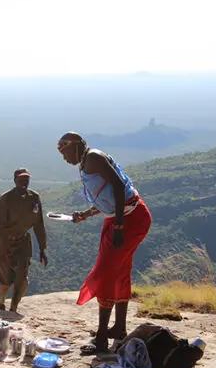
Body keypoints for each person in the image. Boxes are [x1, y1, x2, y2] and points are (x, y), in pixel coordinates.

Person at [57, 132, 152, 354]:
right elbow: (107, 197)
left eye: (65, 152)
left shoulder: (93, 158)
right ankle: (118, 329)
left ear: (77, 146)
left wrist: (119, 226)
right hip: (120, 218)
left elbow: (119, 188)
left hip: (130, 219)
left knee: (105, 273)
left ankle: (101, 338)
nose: (64, 159)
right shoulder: (85, 162)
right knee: (119, 271)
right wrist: (87, 214)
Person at [0, 168, 48, 313]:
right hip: (5, 242)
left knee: (22, 278)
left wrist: (43, 248)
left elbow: (39, 223)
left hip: (23, 242)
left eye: (27, 179)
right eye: (21, 179)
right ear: (15, 180)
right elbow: (0, 227)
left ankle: (14, 308)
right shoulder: (5, 199)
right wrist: (6, 251)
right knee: (6, 280)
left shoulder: (34, 198)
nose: (24, 182)